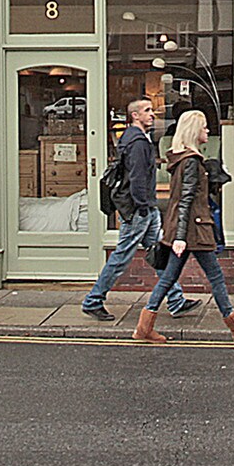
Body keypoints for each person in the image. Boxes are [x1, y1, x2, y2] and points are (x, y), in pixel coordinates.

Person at [133, 109, 234, 344]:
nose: (208, 131)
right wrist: (181, 237)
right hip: (194, 229)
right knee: (215, 277)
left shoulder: (182, 159)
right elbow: (186, 200)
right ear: (194, 131)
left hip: (185, 228)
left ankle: (145, 326)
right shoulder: (191, 161)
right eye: (204, 128)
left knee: (169, 277)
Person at [80, 99, 190, 321]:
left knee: (159, 252)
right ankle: (93, 301)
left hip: (143, 208)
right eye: (147, 111)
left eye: (152, 110)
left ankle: (176, 300)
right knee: (122, 256)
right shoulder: (138, 142)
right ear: (135, 116)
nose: (152, 114)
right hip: (140, 209)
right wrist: (143, 206)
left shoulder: (132, 138)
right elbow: (138, 178)